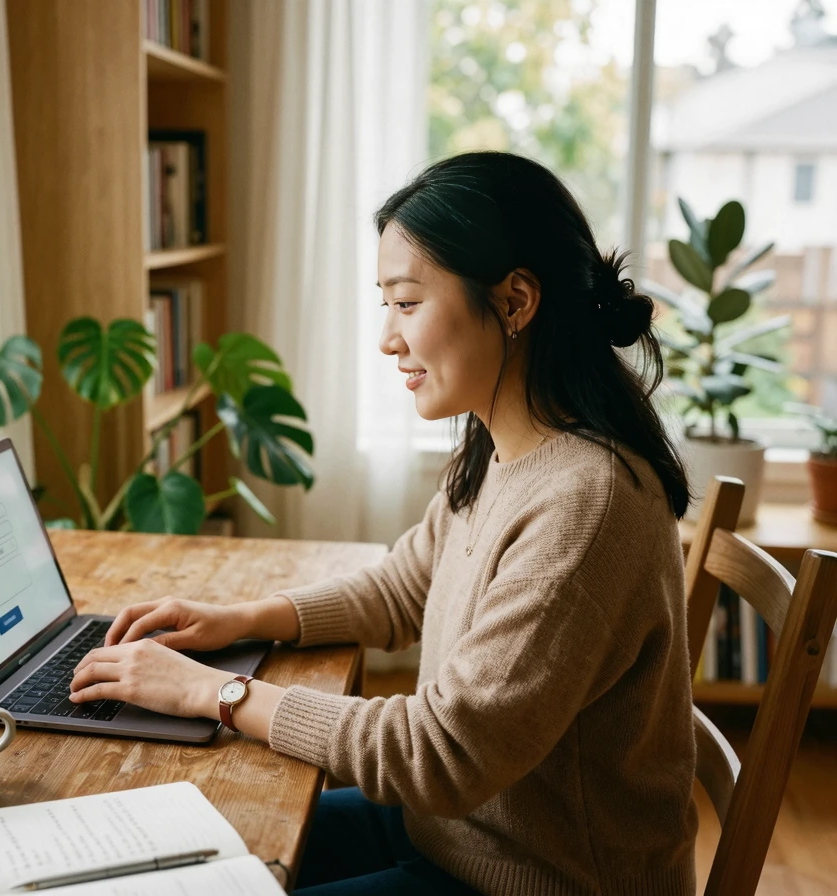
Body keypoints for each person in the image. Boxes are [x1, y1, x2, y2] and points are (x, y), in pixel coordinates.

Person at [69, 151, 698, 895]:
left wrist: (215, 694)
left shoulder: (585, 504)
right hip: (452, 834)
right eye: (386, 304)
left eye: (407, 303)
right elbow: (406, 587)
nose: (388, 339)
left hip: (538, 876)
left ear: (515, 301)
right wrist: (236, 619)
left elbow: (441, 754)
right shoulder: (507, 445)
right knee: (167, 855)